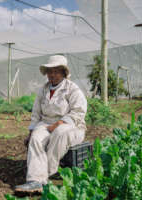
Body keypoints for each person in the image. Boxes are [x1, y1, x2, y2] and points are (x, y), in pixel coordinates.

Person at [15, 55, 87, 192]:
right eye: (50, 71)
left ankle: (44, 175)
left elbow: (78, 112)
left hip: (72, 126)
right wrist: (31, 132)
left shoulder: (72, 89)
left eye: (56, 71)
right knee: (36, 138)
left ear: (63, 73)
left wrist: (59, 123)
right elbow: (36, 113)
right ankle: (35, 181)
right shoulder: (43, 89)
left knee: (59, 133)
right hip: (46, 123)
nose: (52, 75)